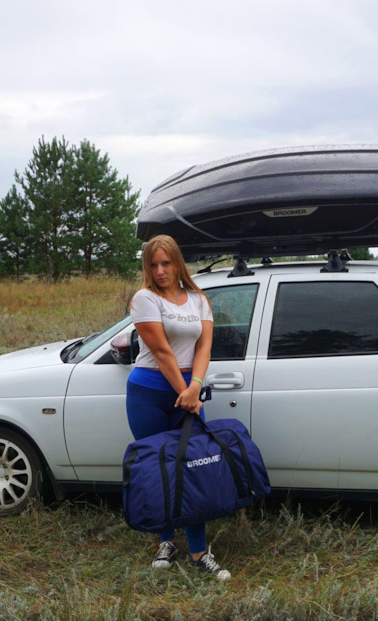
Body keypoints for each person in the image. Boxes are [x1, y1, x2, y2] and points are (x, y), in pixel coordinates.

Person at [126, 234, 231, 581]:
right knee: (159, 469)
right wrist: (185, 392)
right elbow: (160, 352)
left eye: (166, 263)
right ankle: (166, 541)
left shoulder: (199, 299)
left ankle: (199, 551)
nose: (160, 271)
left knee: (193, 468)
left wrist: (195, 388)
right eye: (153, 265)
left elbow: (204, 347)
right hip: (149, 392)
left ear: (177, 263)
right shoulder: (144, 299)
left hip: (187, 391)